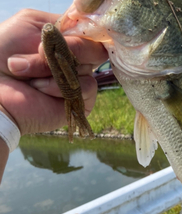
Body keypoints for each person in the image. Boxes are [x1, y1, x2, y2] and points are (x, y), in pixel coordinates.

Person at [0, 9, 108, 183]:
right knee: (75, 109)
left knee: (75, 108)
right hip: (67, 87)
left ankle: (79, 128)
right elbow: (68, 66)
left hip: (67, 88)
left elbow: (68, 64)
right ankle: (79, 128)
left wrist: (6, 115)